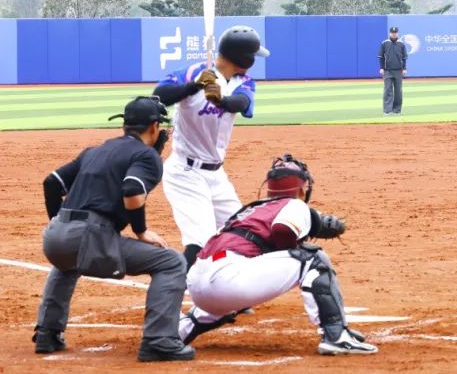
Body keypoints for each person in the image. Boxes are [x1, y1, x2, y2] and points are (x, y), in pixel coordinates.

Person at [33, 96, 194, 362]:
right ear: (154, 127)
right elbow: (131, 191)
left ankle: (47, 334)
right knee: (172, 262)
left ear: (124, 126)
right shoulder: (146, 156)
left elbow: (51, 183)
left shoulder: (95, 151)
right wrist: (141, 231)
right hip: (88, 237)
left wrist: (57, 220)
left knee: (67, 262)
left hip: (55, 237)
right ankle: (159, 341)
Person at [178, 154, 377, 356]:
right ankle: (337, 336)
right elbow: (282, 230)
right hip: (229, 281)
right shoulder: (295, 205)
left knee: (231, 280)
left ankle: (180, 330)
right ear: (301, 189)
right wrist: (295, 246)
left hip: (199, 284)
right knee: (312, 258)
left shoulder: (251, 209)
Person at [152, 25, 270, 269]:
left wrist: (220, 99)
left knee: (242, 232)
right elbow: (159, 94)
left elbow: (241, 103)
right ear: (243, 58)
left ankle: (230, 290)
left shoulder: (244, 82)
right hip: (186, 172)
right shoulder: (194, 73)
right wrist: (194, 86)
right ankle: (173, 295)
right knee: (201, 242)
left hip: (216, 175)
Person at [378, 26, 408, 115]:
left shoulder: (401, 44)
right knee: (387, 90)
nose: (394, 34)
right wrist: (381, 68)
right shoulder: (385, 43)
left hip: (398, 70)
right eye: (392, 32)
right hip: (387, 70)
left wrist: (405, 68)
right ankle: (387, 110)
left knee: (398, 91)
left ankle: (397, 110)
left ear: (397, 33)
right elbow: (381, 57)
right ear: (389, 33)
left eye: (395, 33)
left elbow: (404, 57)